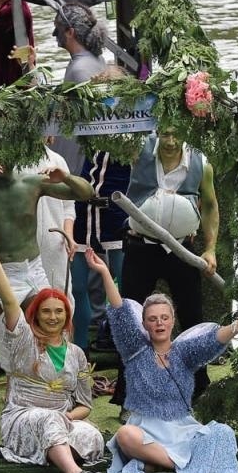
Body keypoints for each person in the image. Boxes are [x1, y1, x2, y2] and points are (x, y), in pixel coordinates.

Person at [84, 248, 238, 473]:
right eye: (152, 319)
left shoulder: (184, 352)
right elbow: (120, 313)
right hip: (145, 431)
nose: (159, 323)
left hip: (182, 429)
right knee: (125, 435)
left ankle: (156, 464)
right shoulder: (134, 349)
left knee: (223, 433)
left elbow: (211, 340)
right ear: (144, 324)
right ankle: (182, 466)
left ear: (172, 321)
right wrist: (105, 272)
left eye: (164, 318)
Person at [0, 233, 107, 473]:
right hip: (21, 416)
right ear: (36, 315)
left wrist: (68, 416)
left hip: (61, 418)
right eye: (46, 311)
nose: (53, 317)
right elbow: (9, 301)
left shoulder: (77, 354)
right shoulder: (23, 338)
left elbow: (85, 405)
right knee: (48, 421)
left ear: (67, 316)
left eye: (59, 311)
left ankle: (36, 453)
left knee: (92, 435)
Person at [0, 160, 94, 398]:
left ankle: (68, 400)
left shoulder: (32, 183)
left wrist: (66, 177)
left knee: (59, 337)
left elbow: (86, 193)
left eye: (5, 155)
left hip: (30, 274)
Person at [113, 131, 220, 403]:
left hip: (183, 250)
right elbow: (107, 136)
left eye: (177, 135)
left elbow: (209, 205)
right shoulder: (136, 148)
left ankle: (198, 389)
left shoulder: (201, 161)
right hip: (141, 247)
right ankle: (126, 395)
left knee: (193, 318)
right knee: (130, 319)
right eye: (166, 134)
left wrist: (210, 249)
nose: (171, 142)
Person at [69, 142, 132, 352]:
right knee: (78, 286)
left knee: (125, 284)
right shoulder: (85, 136)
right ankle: (81, 349)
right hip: (82, 214)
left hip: (118, 213)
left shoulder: (135, 136)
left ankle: (125, 344)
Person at [33, 139, 76, 293]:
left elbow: (68, 205)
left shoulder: (57, 160)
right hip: (22, 244)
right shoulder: (11, 162)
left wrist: (68, 235)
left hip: (55, 243)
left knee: (58, 293)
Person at [53, 2, 106, 84]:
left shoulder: (78, 70)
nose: (53, 34)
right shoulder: (99, 58)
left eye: (57, 29)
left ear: (70, 33)